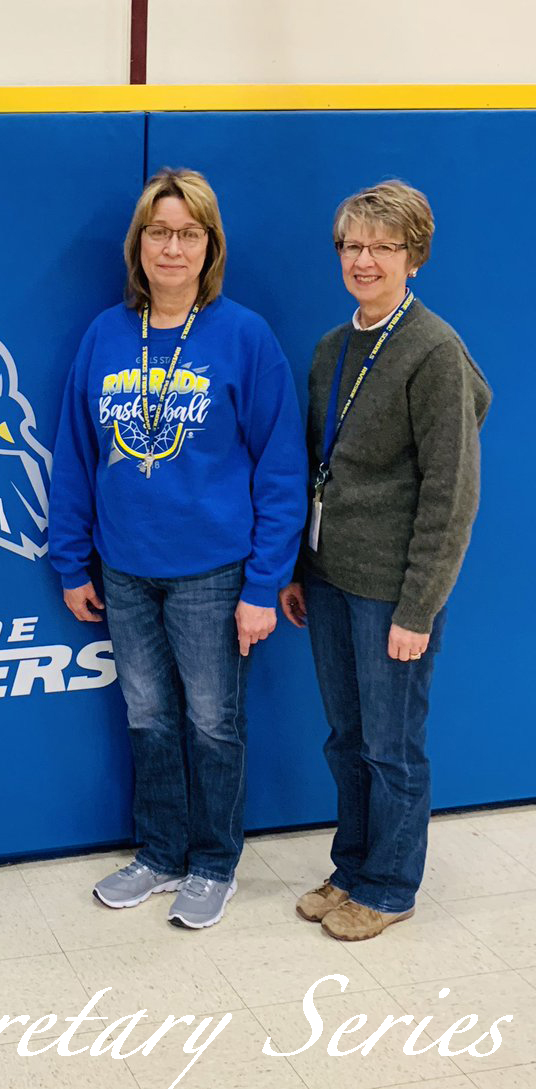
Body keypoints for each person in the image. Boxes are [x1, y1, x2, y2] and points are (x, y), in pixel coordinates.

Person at [50, 168, 307, 929]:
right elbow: (76, 456)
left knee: (214, 723)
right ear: (139, 244)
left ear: (209, 246)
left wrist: (263, 584)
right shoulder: (105, 334)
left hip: (214, 573)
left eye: (188, 233)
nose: (172, 247)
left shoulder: (244, 336)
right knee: (148, 716)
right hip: (124, 569)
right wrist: (71, 560)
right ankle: (160, 853)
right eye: (158, 232)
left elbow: (281, 468)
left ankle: (215, 862)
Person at [280, 180, 490, 941]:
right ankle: (352, 867)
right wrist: (299, 571)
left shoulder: (433, 350)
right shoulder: (333, 349)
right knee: (346, 739)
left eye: (383, 246)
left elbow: (451, 494)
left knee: (392, 748)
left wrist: (418, 608)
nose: (364, 260)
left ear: (414, 256)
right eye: (353, 245)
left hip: (392, 594)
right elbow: (317, 467)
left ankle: (391, 886)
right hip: (329, 579)